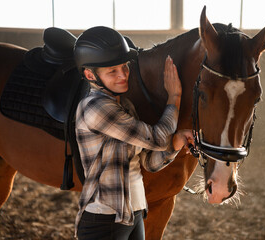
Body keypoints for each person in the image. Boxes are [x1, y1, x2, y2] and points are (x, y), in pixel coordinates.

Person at [73, 26, 193, 240]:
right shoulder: (95, 107)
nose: (123, 75)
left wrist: (175, 144)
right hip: (105, 219)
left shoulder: (125, 106)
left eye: (124, 67)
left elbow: (148, 162)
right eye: (112, 71)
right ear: (90, 74)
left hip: (134, 213)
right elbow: (157, 138)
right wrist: (174, 96)